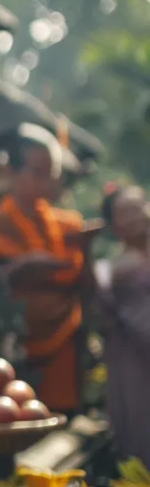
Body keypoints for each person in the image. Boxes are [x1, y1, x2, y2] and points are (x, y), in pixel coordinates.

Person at [0, 123, 89, 415]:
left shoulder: (69, 225)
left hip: (66, 341)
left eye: (50, 173)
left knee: (63, 417)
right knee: (18, 411)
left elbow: (82, 280)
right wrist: (19, 268)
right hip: (17, 345)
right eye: (36, 172)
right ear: (10, 172)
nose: (46, 182)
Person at [97, 183, 150, 466]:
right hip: (137, 369)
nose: (136, 216)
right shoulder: (112, 271)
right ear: (113, 225)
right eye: (124, 212)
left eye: (138, 206)